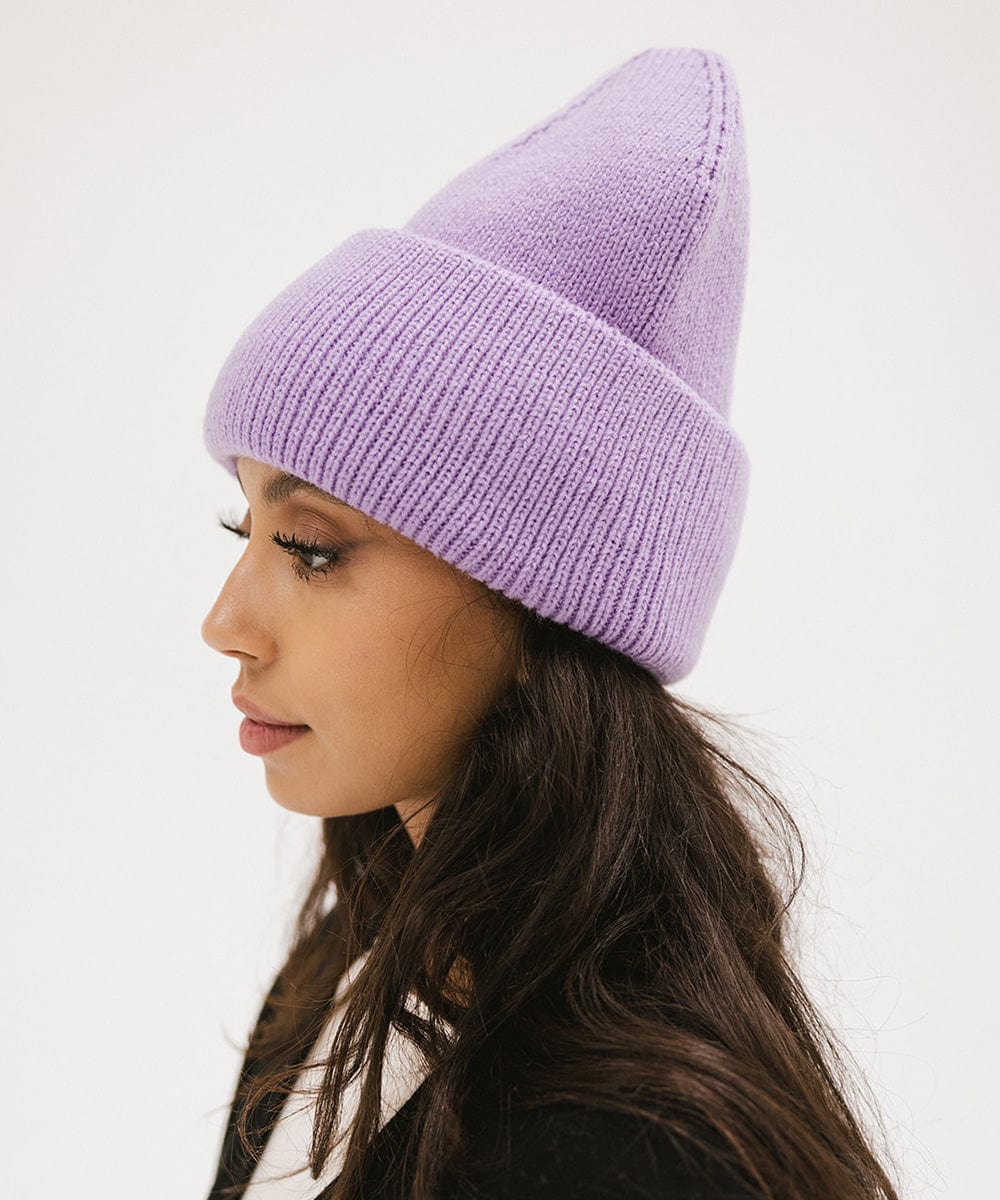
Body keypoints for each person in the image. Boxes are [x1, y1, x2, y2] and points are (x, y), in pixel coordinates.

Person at [198, 46, 902, 1200]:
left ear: (544, 611)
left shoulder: (626, 1159)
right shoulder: (350, 980)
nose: (227, 624)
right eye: (245, 533)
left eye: (310, 550)